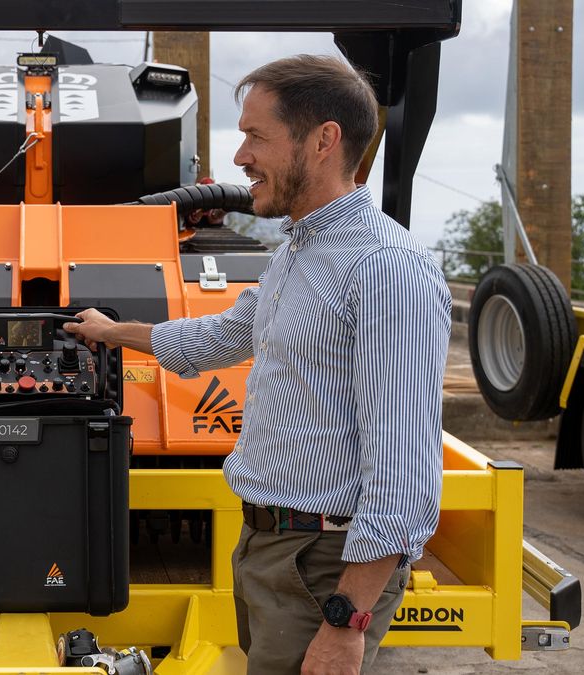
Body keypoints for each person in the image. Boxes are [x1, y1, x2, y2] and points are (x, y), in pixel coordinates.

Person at [66, 54, 451, 674]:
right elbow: (223, 335)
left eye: (255, 136)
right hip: (269, 547)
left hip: (322, 565)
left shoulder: (385, 270)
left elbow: (404, 475)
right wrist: (116, 333)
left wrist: (346, 622)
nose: (240, 157)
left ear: (324, 140)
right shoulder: (297, 254)